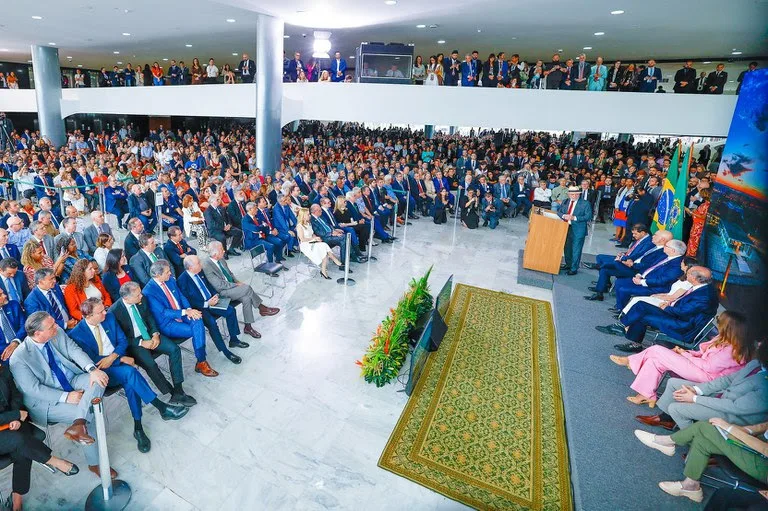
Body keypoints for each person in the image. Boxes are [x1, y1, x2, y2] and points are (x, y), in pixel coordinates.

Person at [69, 298, 188, 453]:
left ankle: (138, 428)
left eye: (104, 309)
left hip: (118, 364)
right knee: (130, 372)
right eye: (100, 312)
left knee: (131, 382)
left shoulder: (109, 318)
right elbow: (92, 361)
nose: (105, 312)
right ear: (88, 316)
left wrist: (114, 357)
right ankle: (161, 407)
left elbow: (122, 341)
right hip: (103, 374)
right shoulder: (77, 334)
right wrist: (119, 358)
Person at [9, 311, 111, 477]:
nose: (57, 326)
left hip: (71, 380)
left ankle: (78, 424)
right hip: (47, 401)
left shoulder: (57, 332)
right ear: (37, 333)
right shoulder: (18, 358)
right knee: (90, 412)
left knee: (100, 378)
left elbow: (73, 350)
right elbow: (33, 389)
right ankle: (95, 464)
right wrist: (67, 397)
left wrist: (92, 369)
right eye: (51, 326)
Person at [610, 311, 751, 407]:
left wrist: (684, 355)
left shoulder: (733, 349)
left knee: (657, 350)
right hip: (700, 368)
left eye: (720, 324)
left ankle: (631, 361)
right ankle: (646, 395)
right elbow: (702, 353)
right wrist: (684, 352)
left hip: (708, 377)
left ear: (729, 328)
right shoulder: (723, 338)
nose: (718, 325)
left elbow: (709, 366)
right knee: (656, 360)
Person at [0, 361, 80, 511]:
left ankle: (17, 500)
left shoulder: (2, 369)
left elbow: (15, 395)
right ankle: (53, 460)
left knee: (23, 445)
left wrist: (16, 418)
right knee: (20, 441)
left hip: (10, 423)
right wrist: (15, 415)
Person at [143, 260, 230, 377]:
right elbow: (164, 312)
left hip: (183, 314)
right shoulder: (148, 291)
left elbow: (181, 296)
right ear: (158, 275)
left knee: (198, 319)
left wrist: (190, 310)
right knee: (197, 330)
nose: (170, 273)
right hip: (168, 323)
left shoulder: (170, 280)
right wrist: (186, 311)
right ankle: (201, 361)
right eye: (167, 272)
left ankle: (201, 361)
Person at [607, 266, 719, 353]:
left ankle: (632, 340)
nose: (686, 275)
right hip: (678, 316)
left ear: (694, 278)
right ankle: (623, 328)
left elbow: (683, 312)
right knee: (641, 305)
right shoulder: (703, 287)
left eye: (688, 273)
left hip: (683, 325)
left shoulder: (705, 296)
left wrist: (666, 307)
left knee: (642, 314)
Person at [584, 227, 669, 301]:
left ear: (663, 239)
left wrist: (631, 264)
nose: (652, 236)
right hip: (631, 264)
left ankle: (598, 266)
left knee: (616, 263)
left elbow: (649, 266)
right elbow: (639, 255)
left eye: (655, 235)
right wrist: (625, 258)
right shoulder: (654, 246)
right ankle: (600, 293)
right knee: (605, 269)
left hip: (636, 271)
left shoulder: (661, 252)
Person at [294, 209, 342, 279]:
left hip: (312, 242)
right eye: (308, 214)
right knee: (324, 246)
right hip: (305, 245)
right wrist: (314, 239)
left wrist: (316, 237)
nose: (309, 215)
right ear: (303, 216)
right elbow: (302, 239)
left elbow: (312, 234)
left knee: (323, 247)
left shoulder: (308, 223)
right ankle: (334, 260)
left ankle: (324, 270)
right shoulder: (299, 226)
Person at [558, 186, 593, 275]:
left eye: (575, 194)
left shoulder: (585, 203)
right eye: (571, 194)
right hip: (566, 227)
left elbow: (588, 216)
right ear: (568, 194)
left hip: (578, 229)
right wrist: (563, 216)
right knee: (567, 247)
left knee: (576, 249)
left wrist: (574, 217)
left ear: (579, 194)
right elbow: (559, 211)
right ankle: (568, 264)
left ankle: (574, 268)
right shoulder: (566, 201)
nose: (573, 196)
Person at [204, 194, 243, 259]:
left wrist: (229, 224)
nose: (219, 201)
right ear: (212, 201)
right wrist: (223, 228)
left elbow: (228, 217)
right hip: (215, 230)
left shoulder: (221, 208)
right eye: (217, 200)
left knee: (239, 232)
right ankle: (224, 252)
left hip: (226, 228)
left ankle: (231, 248)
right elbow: (211, 224)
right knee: (222, 238)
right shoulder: (208, 212)